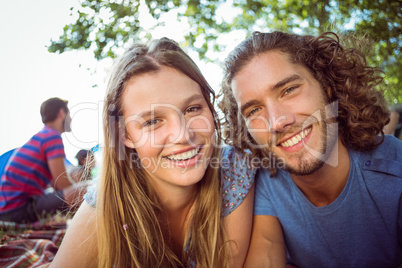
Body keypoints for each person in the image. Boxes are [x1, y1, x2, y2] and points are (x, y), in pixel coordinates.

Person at [50, 38, 255, 267]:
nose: (182, 135)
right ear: (124, 135)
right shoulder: (107, 207)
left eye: (192, 109)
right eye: (153, 121)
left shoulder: (234, 169)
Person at [219, 31, 402, 267]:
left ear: (326, 87)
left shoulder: (395, 172)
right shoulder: (266, 181)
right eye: (254, 111)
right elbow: (266, 252)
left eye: (289, 90)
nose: (277, 122)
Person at [0, 97, 86, 223]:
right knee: (89, 190)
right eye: (69, 114)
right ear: (62, 113)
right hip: (18, 211)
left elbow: (56, 185)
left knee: (79, 189)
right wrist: (80, 190)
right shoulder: (52, 136)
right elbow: (61, 183)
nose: (71, 119)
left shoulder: (42, 136)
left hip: (7, 211)